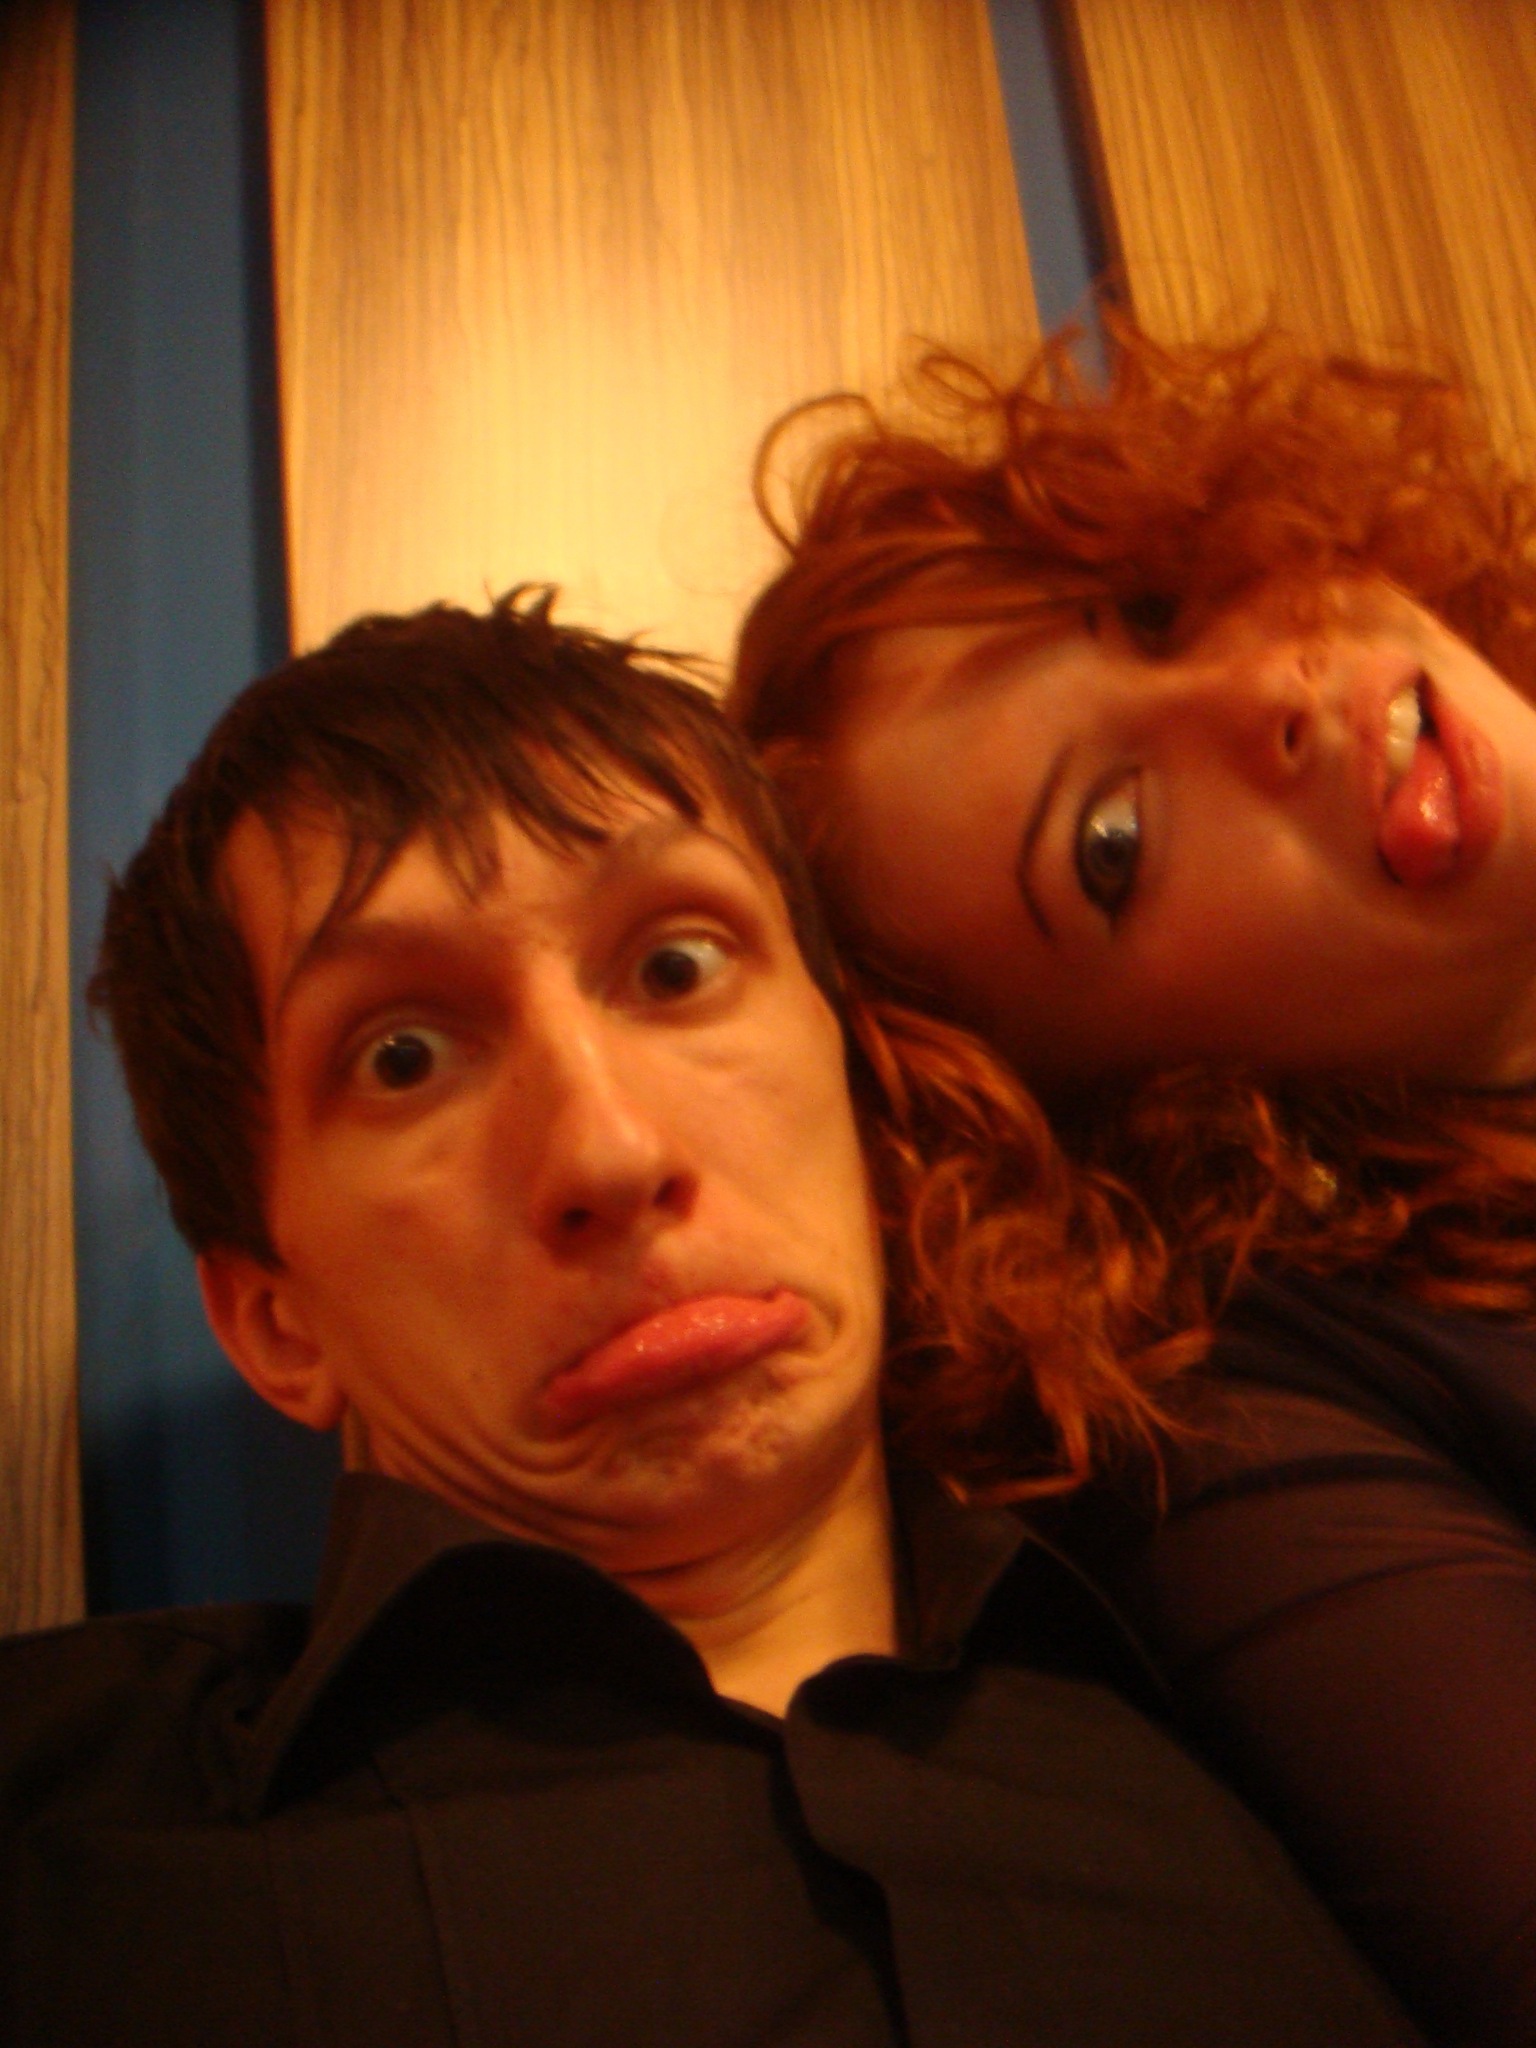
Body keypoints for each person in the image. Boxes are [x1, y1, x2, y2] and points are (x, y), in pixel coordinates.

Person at [0, 589, 1418, 2047]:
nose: (610, 1152)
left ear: (850, 1073)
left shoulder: (1301, 1718)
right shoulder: (63, 1859)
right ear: (275, 1323)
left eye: (677, 967)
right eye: (404, 1056)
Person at [730, 319, 1536, 2048]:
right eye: (1113, 844)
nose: (1266, 700)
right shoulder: (1253, 1430)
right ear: (1109, 1108)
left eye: (1156, 604)